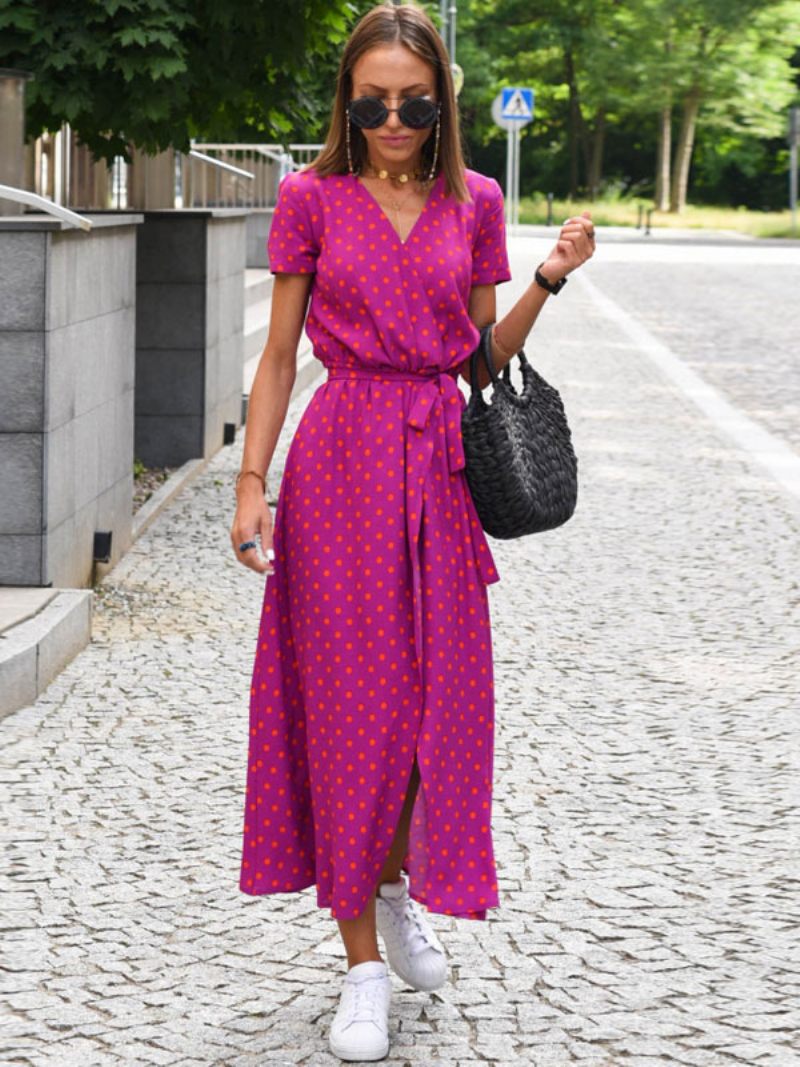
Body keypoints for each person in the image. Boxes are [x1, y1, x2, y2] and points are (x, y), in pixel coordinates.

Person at [230, 1, 595, 1060]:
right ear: (347, 101)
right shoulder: (310, 197)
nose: (393, 119)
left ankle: (392, 886)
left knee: (434, 711)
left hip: (435, 463)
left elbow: (479, 358)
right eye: (372, 101)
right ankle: (358, 966)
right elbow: (276, 353)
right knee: (348, 710)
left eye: (413, 102)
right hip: (339, 460)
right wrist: (252, 481)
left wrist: (545, 278)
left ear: (443, 104)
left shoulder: (472, 199)